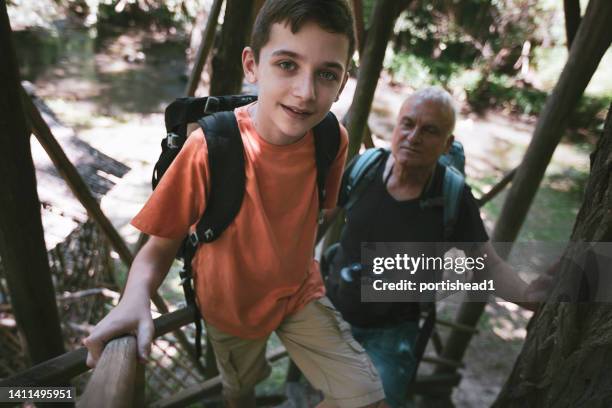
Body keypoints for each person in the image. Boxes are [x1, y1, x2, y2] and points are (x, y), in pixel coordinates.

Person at [84, 1, 390, 407]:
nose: (305, 91)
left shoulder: (332, 137)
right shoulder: (210, 148)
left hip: (298, 294)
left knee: (365, 397)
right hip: (230, 309)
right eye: (287, 64)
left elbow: (319, 210)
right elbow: (158, 246)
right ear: (252, 65)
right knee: (239, 391)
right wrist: (134, 298)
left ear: (343, 82)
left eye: (326, 74)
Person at [324, 87, 553, 408]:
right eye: (407, 124)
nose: (413, 137)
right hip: (334, 317)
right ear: (396, 128)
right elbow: (320, 213)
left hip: (392, 334)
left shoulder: (453, 197)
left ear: (446, 144)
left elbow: (489, 264)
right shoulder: (367, 169)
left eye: (429, 130)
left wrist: (529, 297)